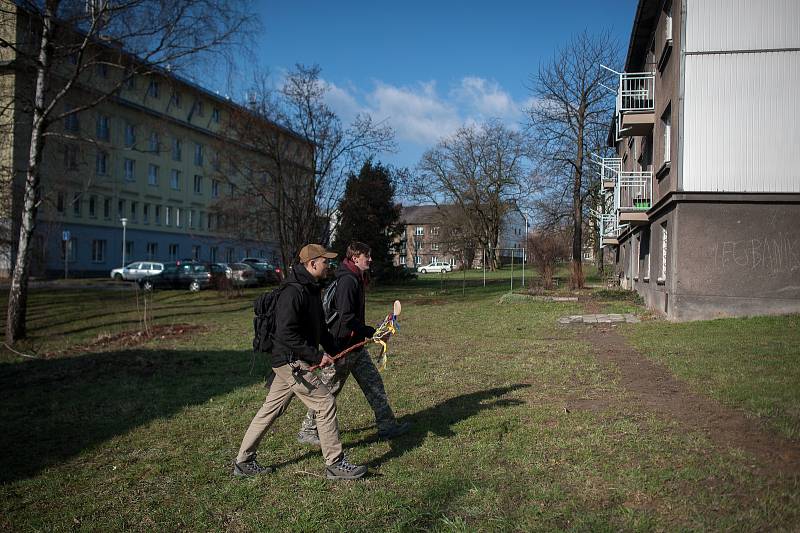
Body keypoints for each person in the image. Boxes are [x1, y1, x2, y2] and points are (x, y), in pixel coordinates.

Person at [233, 244, 367, 480]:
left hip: (293, 360)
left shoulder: (312, 289)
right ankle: (335, 463)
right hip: (291, 361)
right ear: (312, 264)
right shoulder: (293, 292)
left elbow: (321, 329)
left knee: (270, 410)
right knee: (324, 403)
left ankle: (243, 461)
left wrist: (336, 350)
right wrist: (315, 356)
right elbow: (286, 334)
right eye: (325, 262)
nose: (329, 266)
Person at [297, 241, 410, 446]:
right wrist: (371, 332)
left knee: (374, 384)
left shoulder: (355, 277)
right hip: (342, 347)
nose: (371, 259)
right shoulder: (349, 280)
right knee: (328, 391)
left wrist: (369, 332)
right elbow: (346, 318)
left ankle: (387, 427)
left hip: (355, 346)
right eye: (367, 255)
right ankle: (308, 430)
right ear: (355, 258)